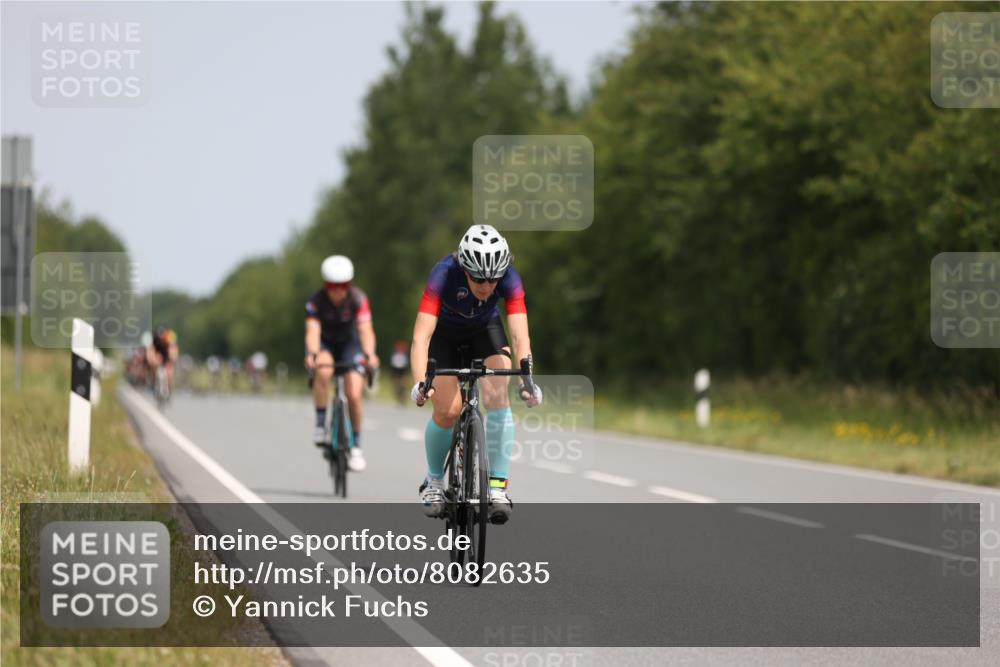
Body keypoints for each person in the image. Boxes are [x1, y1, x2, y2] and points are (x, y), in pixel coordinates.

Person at [410, 224, 542, 524]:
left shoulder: (509, 276)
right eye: (478, 278)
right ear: (464, 269)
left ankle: (497, 487)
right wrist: (421, 383)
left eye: (493, 278)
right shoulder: (443, 273)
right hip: (444, 337)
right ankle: (433, 482)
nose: (486, 285)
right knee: (448, 410)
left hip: (485, 331)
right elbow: (421, 337)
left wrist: (527, 380)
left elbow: (521, 336)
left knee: (498, 392)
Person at [304, 255, 380, 471]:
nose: (338, 290)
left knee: (354, 393)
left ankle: (356, 447)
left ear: (350, 284)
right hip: (326, 344)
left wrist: (370, 354)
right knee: (323, 369)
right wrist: (312, 353)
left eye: (343, 285)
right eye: (332, 285)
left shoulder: (358, 299)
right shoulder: (316, 301)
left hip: (350, 345)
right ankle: (320, 423)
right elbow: (313, 331)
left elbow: (366, 331)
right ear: (325, 284)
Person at [148, 326, 179, 393]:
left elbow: (173, 349)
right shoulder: (154, 340)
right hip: (158, 354)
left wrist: (172, 358)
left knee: (169, 372)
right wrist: (152, 360)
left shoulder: (169, 338)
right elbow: (151, 351)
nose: (161, 338)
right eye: (160, 336)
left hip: (167, 355)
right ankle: (154, 383)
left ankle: (169, 387)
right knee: (154, 368)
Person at [389, 340, 410, 405]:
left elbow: (406, 365)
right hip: (397, 371)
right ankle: (400, 398)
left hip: (403, 371)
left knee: (402, 386)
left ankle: (403, 399)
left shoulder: (404, 355)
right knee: (398, 386)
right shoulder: (395, 354)